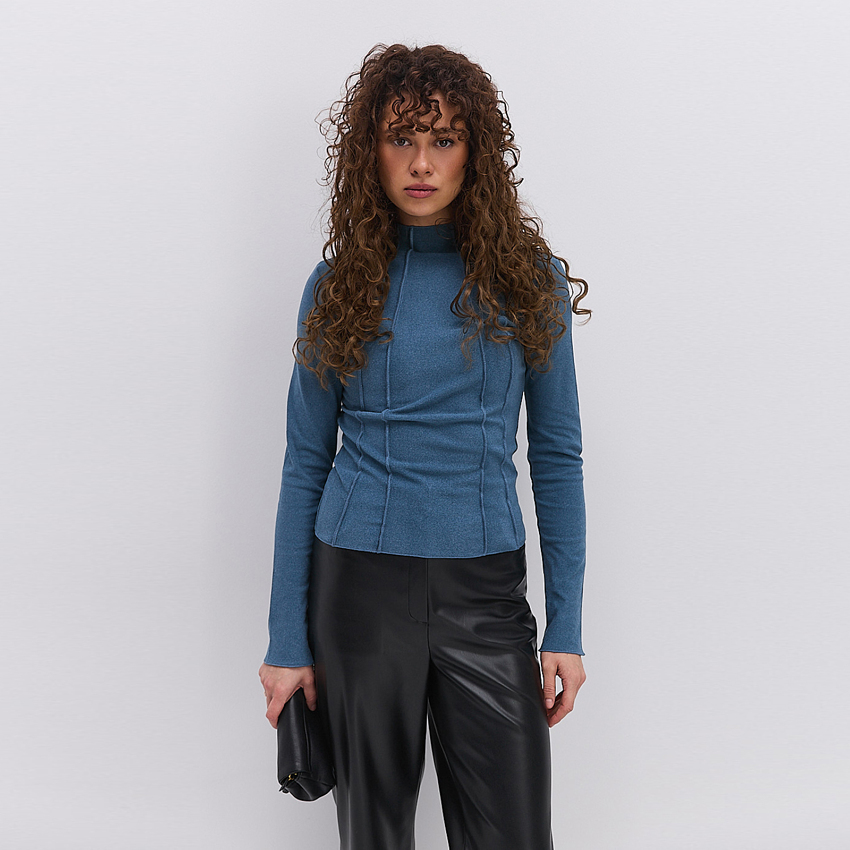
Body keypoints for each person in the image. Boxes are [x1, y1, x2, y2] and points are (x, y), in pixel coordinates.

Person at [258, 42, 591, 850]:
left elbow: (556, 458)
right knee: (373, 835)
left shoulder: (528, 282)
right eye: (400, 138)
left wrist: (566, 627)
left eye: (443, 140)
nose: (420, 163)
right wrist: (285, 642)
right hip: (359, 594)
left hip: (487, 596)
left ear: (475, 153)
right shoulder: (338, 286)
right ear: (368, 151)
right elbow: (305, 463)